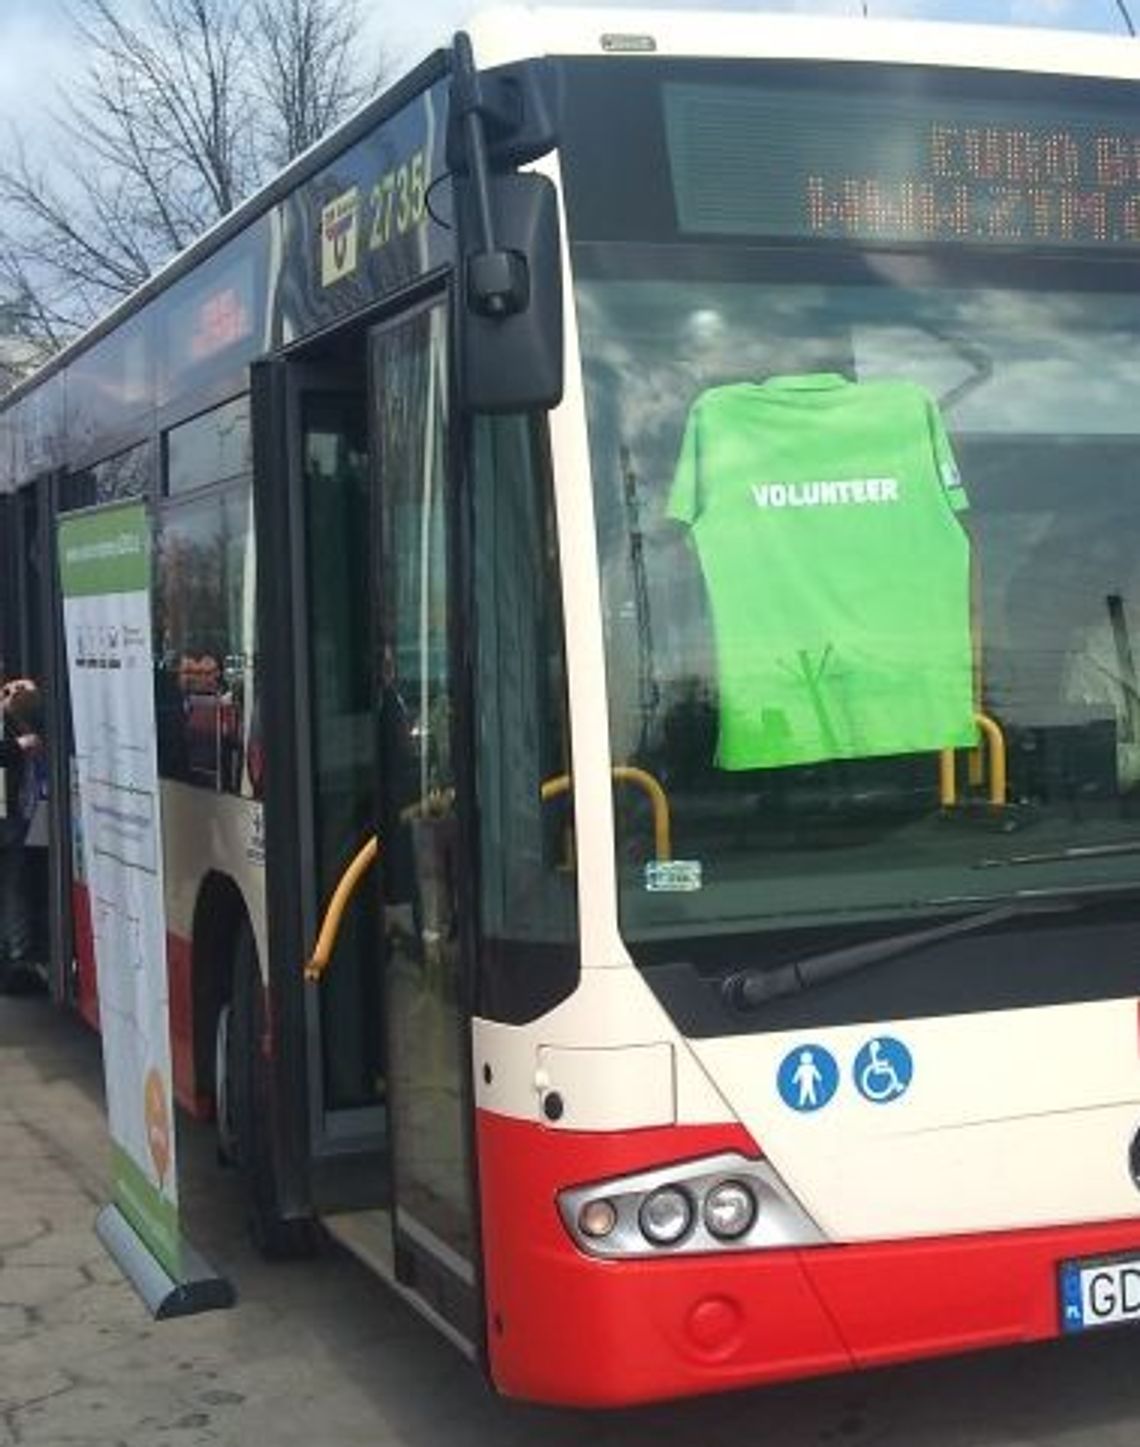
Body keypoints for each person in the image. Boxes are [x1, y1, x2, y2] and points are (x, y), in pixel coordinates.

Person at [0, 677, 44, 993]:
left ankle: (17, 952)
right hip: (7, 816)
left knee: (13, 884)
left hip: (15, 814)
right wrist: (18, 745)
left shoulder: (15, 720)